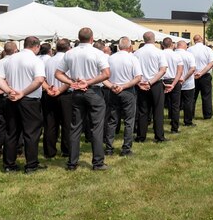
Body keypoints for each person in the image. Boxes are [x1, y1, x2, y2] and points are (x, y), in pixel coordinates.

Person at [55, 27, 111, 170]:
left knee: (75, 128)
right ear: (92, 39)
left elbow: (58, 73)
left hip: (77, 92)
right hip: (93, 91)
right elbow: (106, 74)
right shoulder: (98, 53)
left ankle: (72, 162)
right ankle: (98, 162)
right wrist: (89, 82)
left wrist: (71, 82)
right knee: (96, 128)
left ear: (79, 38)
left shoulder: (70, 53)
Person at [0, 36, 47, 174]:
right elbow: (39, 80)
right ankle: (31, 164)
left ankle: (9, 164)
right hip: (29, 100)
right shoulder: (36, 60)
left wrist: (8, 90)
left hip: (12, 98)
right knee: (31, 133)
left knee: (11, 132)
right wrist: (22, 93)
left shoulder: (10, 58)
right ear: (37, 46)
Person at [103, 37, 142, 156]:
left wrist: (112, 86)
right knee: (129, 121)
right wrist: (124, 86)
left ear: (118, 47)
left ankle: (109, 148)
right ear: (130, 47)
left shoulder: (110, 58)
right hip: (128, 91)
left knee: (112, 120)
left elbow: (104, 76)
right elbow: (138, 77)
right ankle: (126, 148)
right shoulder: (132, 58)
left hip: (113, 90)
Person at [134, 32, 168, 142]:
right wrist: (151, 82)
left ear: (144, 40)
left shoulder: (137, 53)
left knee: (143, 111)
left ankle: (141, 136)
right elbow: (162, 70)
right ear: (154, 39)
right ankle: (159, 136)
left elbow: (133, 71)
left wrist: (142, 83)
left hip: (141, 84)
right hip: (155, 83)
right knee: (158, 111)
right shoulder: (159, 52)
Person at [42, 38, 72, 159]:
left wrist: (49, 88)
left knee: (50, 124)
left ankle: (49, 151)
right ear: (68, 48)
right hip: (64, 94)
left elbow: (42, 78)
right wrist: (59, 90)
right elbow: (69, 80)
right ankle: (66, 150)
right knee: (67, 123)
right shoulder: (68, 60)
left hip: (49, 92)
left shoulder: (48, 61)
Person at [188, 34, 213, 119]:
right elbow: (211, 63)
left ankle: (190, 114)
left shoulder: (189, 50)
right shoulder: (207, 49)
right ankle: (207, 115)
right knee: (206, 96)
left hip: (193, 75)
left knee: (192, 97)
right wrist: (201, 73)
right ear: (201, 39)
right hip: (205, 75)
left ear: (194, 40)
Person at [161, 37, 184, 133]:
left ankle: (158, 127)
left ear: (162, 45)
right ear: (172, 45)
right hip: (174, 80)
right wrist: (174, 83)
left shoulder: (159, 54)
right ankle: (174, 127)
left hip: (162, 81)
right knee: (175, 105)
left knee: (159, 105)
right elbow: (180, 71)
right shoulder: (177, 55)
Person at [176, 40, 197, 127]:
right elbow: (192, 69)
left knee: (175, 103)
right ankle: (188, 121)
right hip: (188, 83)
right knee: (188, 103)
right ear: (185, 46)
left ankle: (174, 120)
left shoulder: (173, 54)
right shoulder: (189, 55)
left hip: (175, 82)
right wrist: (184, 78)